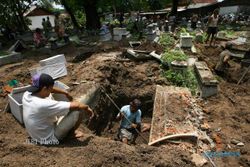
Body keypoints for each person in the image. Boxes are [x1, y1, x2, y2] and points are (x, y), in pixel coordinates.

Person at [22, 73, 95, 145]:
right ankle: (70, 135)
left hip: (37, 134)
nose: (51, 90)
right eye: (50, 88)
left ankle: (62, 122)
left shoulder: (27, 94)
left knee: (49, 95)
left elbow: (51, 90)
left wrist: (65, 93)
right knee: (78, 110)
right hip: (50, 138)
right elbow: (77, 105)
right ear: (44, 88)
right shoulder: (42, 104)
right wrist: (87, 108)